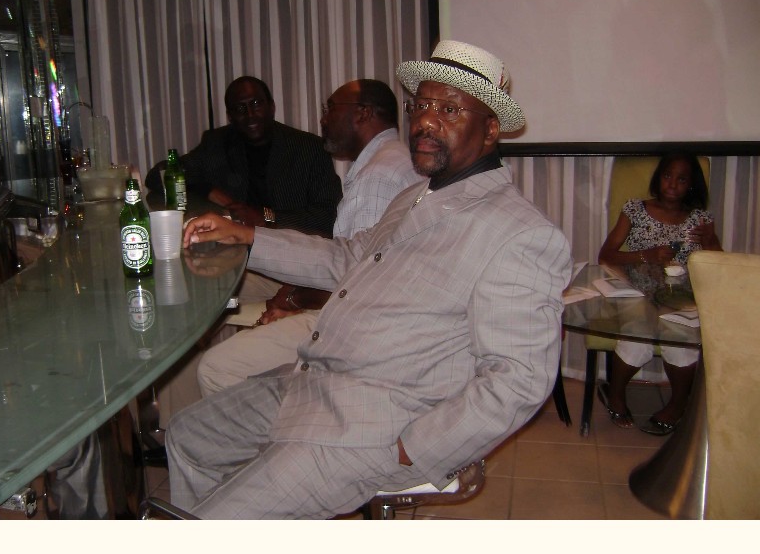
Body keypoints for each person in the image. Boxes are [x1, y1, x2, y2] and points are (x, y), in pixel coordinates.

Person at [165, 40, 572, 519]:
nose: (425, 121)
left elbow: (519, 379)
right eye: (420, 105)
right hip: (316, 382)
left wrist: (415, 447)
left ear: (490, 130)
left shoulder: (518, 233)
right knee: (188, 436)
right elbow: (346, 258)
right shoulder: (415, 197)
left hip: (377, 426)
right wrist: (249, 237)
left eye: (448, 109)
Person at [196, 78, 422, 395]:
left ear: (362, 113)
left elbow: (357, 283)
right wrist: (291, 293)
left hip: (351, 321)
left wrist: (293, 302)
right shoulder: (390, 159)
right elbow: (343, 257)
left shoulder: (377, 179)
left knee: (216, 368)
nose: (323, 119)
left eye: (330, 108)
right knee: (212, 283)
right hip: (334, 291)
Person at [597, 152, 722, 435]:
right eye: (667, 176)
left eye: (681, 179)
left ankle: (678, 406)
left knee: (680, 341)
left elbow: (718, 263)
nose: (672, 184)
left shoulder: (700, 220)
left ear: (691, 184)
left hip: (681, 296)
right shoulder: (635, 210)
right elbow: (606, 256)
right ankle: (615, 394)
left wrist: (711, 240)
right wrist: (647, 255)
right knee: (637, 337)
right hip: (637, 291)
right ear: (658, 178)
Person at [145, 75, 342, 236]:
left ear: (271, 107)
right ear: (230, 116)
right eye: (240, 109)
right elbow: (156, 178)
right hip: (235, 248)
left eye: (256, 104)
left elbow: (327, 217)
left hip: (291, 247)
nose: (250, 115)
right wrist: (208, 189)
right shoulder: (216, 143)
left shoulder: (309, 148)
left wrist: (265, 216)